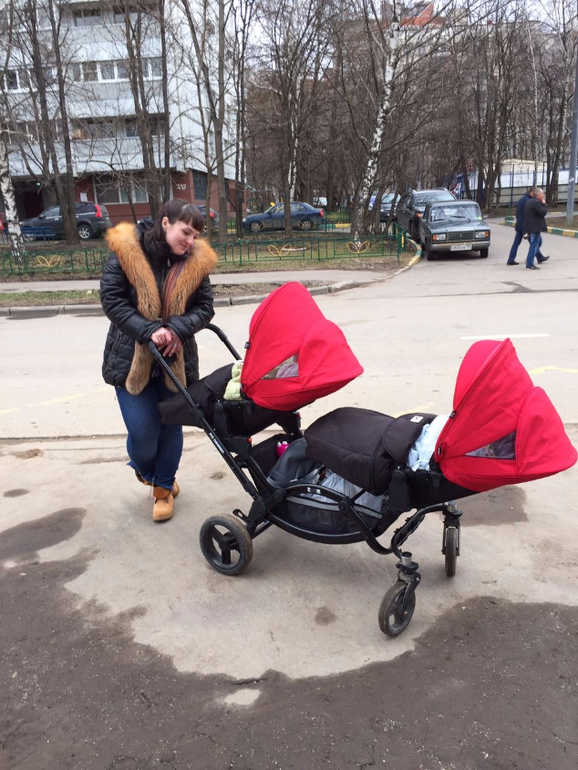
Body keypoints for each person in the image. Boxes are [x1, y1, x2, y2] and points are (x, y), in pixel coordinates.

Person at [100, 199, 217, 521]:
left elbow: (205, 306)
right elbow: (112, 300)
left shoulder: (196, 261)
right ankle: (148, 471)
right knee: (143, 434)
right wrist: (148, 330)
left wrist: (179, 327)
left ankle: (163, 488)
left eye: (195, 236)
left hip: (175, 359)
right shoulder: (127, 252)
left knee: (171, 427)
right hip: (130, 358)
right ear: (165, 223)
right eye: (185, 232)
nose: (190, 241)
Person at [507, 187, 550, 265]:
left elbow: (518, 213)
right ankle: (531, 259)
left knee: (517, 243)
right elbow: (534, 213)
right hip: (526, 226)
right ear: (531, 193)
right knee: (536, 243)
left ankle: (511, 259)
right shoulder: (529, 201)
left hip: (519, 225)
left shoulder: (522, 199)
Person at [522, 188, 550, 270]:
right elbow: (543, 212)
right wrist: (544, 203)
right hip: (535, 227)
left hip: (530, 226)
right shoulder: (536, 203)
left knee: (536, 244)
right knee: (534, 246)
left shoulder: (530, 201)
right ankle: (530, 263)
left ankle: (530, 260)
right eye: (542, 194)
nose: (543, 195)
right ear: (539, 195)